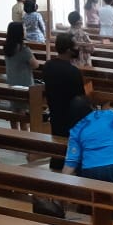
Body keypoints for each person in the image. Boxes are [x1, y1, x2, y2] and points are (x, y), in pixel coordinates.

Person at [62, 95, 113, 186]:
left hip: (90, 170)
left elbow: (71, 162)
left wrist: (60, 184)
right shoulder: (109, 115)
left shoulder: (76, 130)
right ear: (92, 106)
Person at [42, 33, 86, 170]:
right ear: (68, 50)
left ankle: (56, 162)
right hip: (71, 115)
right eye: (75, 46)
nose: (77, 48)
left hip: (55, 111)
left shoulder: (48, 66)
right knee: (72, 142)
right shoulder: (73, 72)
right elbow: (80, 98)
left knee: (57, 138)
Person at [3, 22, 39, 116]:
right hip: (24, 84)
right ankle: (24, 126)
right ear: (20, 33)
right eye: (24, 29)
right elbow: (35, 65)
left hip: (11, 82)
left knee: (14, 109)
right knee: (23, 110)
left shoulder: (6, 48)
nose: (25, 31)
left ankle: (14, 125)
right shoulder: (24, 50)